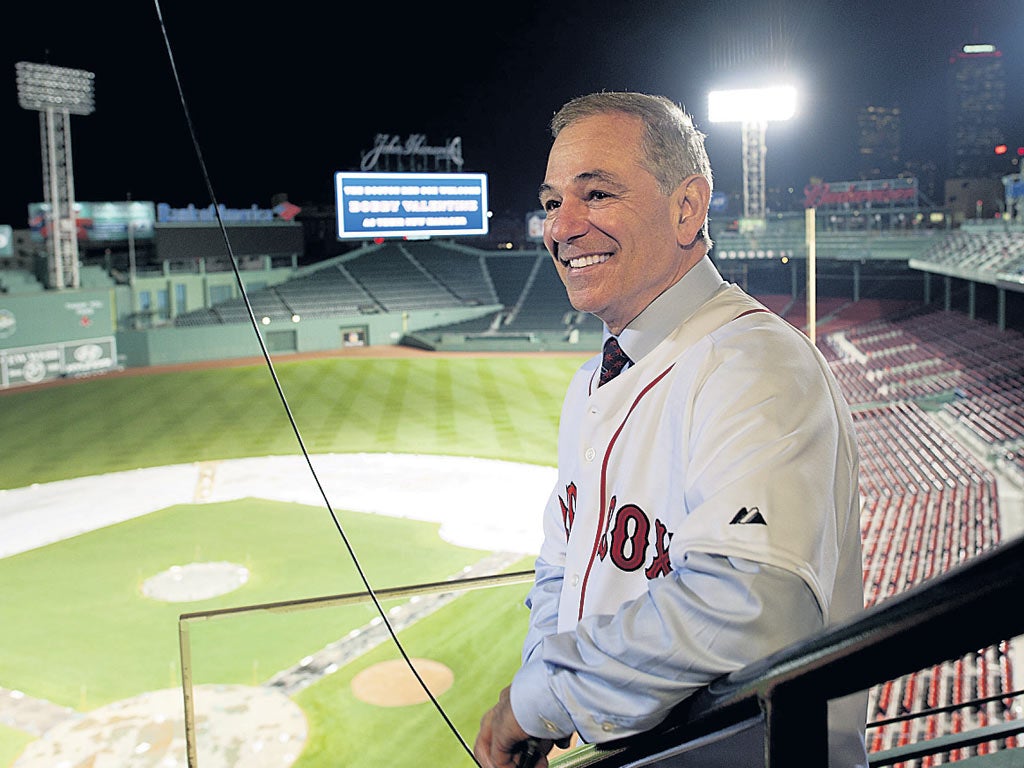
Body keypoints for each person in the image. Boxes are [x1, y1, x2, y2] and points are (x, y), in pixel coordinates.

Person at [473, 92, 868, 768]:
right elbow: (560, 567)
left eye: (595, 194)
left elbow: (752, 605)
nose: (561, 227)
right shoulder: (591, 384)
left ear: (687, 207)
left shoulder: (755, 364)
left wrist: (539, 698)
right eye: (550, 202)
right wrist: (548, 681)